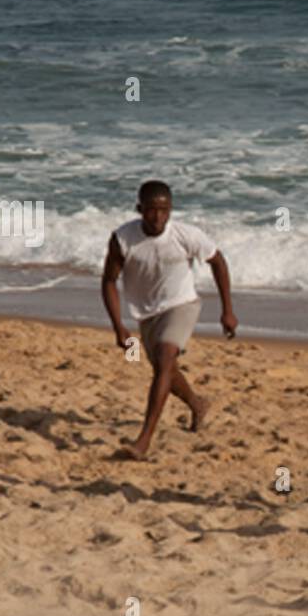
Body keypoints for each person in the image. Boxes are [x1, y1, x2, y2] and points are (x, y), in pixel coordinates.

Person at [101, 180, 237, 460]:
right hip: (147, 313)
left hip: (182, 304)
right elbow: (109, 281)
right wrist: (119, 326)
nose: (158, 217)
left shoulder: (187, 235)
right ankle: (197, 404)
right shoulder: (123, 238)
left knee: (164, 359)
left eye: (164, 210)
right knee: (168, 371)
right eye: (151, 210)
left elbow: (218, 262)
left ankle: (143, 440)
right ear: (139, 209)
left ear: (171, 210)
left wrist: (228, 311)